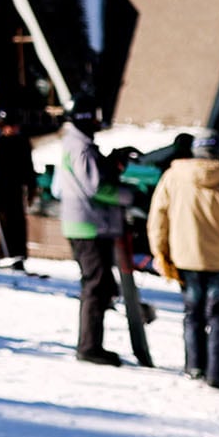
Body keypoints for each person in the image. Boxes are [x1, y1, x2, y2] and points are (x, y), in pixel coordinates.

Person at [149, 133, 219, 391]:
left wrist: (161, 253)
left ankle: (194, 366)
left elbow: (158, 218)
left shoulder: (172, 177)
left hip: (185, 257)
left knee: (193, 315)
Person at [55, 106, 128, 364]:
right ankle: (89, 347)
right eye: (95, 115)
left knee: (100, 284)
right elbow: (95, 187)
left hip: (84, 224)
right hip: (88, 226)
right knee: (95, 286)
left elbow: (59, 187)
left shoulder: (73, 145)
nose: (99, 121)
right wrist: (129, 195)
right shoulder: (81, 148)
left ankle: (92, 343)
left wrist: (109, 162)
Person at [0, 106, 36, 270]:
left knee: (18, 222)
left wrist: (31, 187)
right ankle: (4, 253)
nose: (10, 129)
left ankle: (19, 255)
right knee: (3, 222)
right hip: (0, 189)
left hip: (16, 188)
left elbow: (28, 167)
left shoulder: (22, 142)